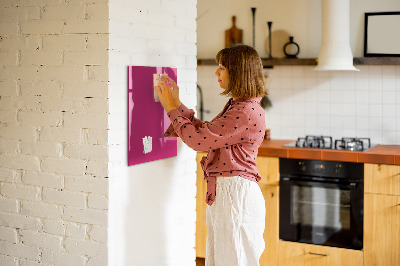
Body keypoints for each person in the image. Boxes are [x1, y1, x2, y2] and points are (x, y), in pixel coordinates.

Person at [155, 44, 267, 266]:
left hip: (235, 197)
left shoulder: (244, 111)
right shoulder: (240, 106)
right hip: (230, 195)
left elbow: (198, 141)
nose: (217, 73)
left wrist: (170, 108)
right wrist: (176, 104)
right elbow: (206, 133)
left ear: (238, 72)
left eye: (222, 67)